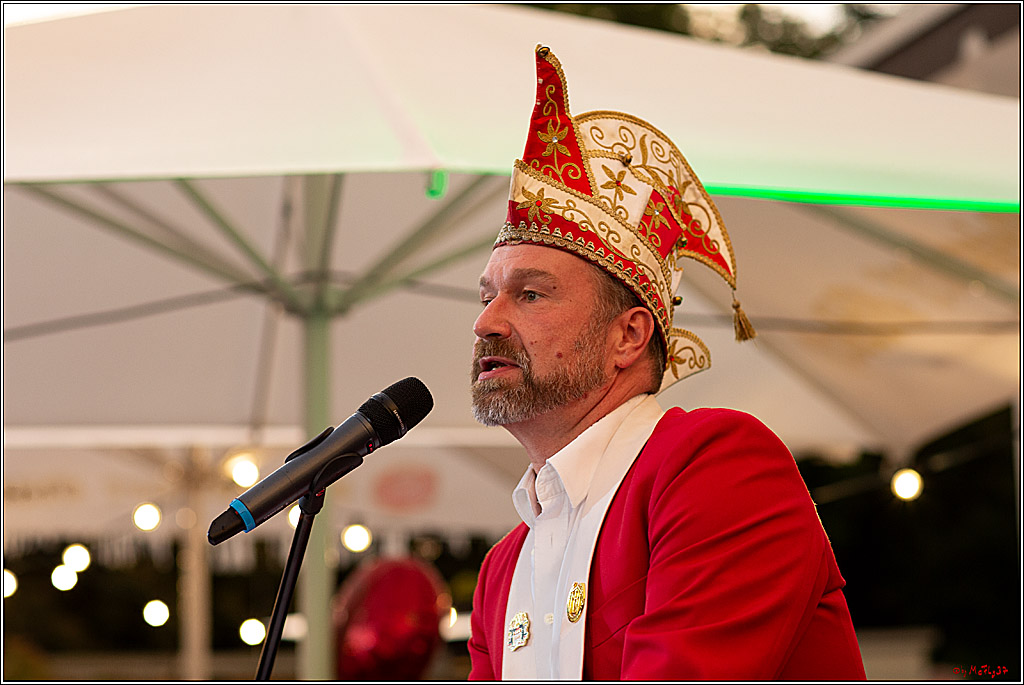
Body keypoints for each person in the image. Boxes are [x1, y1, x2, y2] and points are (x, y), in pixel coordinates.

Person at [466, 46, 866, 680]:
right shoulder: (501, 571)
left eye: (530, 294)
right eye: (488, 296)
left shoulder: (715, 464)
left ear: (629, 335)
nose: (486, 321)